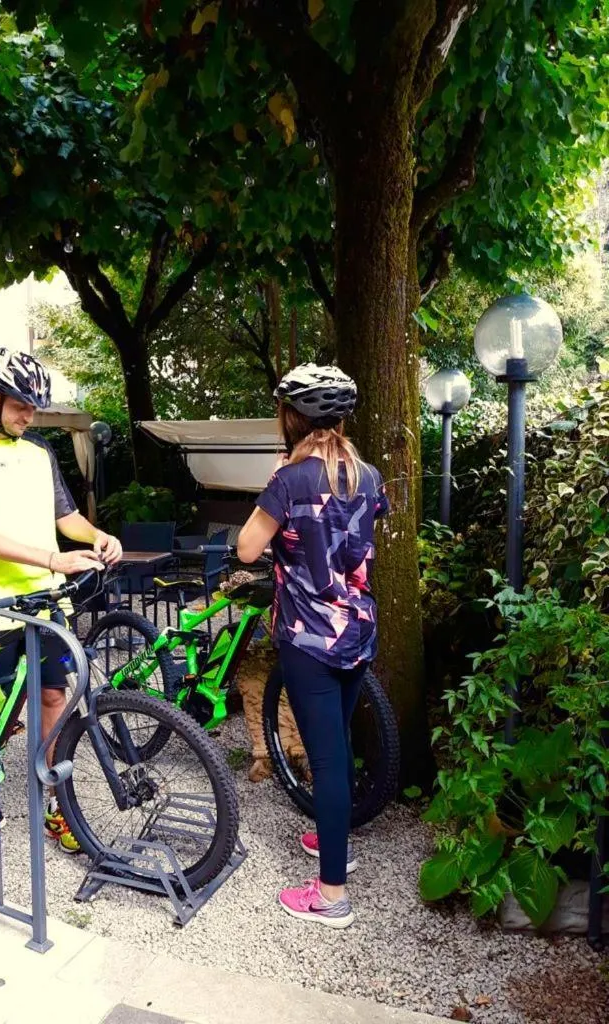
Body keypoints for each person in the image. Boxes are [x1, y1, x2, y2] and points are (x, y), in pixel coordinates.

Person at [0, 348, 122, 853]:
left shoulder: (40, 451)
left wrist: (97, 536)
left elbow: (66, 519)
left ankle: (56, 805)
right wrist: (52, 559)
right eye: (19, 405)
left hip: (46, 606)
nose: (28, 416)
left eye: (34, 408)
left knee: (55, 699)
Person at [237, 363, 389, 928]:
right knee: (339, 747)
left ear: (292, 417)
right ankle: (335, 843)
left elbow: (249, 549)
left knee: (325, 760)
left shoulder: (289, 479)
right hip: (359, 630)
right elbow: (366, 529)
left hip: (308, 637)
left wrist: (278, 483)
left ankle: (331, 896)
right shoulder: (369, 475)